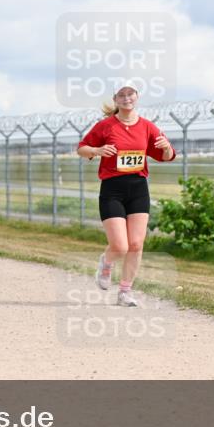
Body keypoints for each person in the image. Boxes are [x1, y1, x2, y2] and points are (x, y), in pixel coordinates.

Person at [77, 86, 175, 307]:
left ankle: (125, 292)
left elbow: (166, 156)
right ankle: (106, 264)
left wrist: (166, 147)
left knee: (136, 244)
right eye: (121, 95)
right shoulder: (106, 126)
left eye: (130, 94)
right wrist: (97, 151)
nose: (126, 98)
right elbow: (82, 148)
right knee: (120, 246)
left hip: (138, 188)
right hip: (112, 189)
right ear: (115, 99)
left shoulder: (147, 126)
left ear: (137, 97)